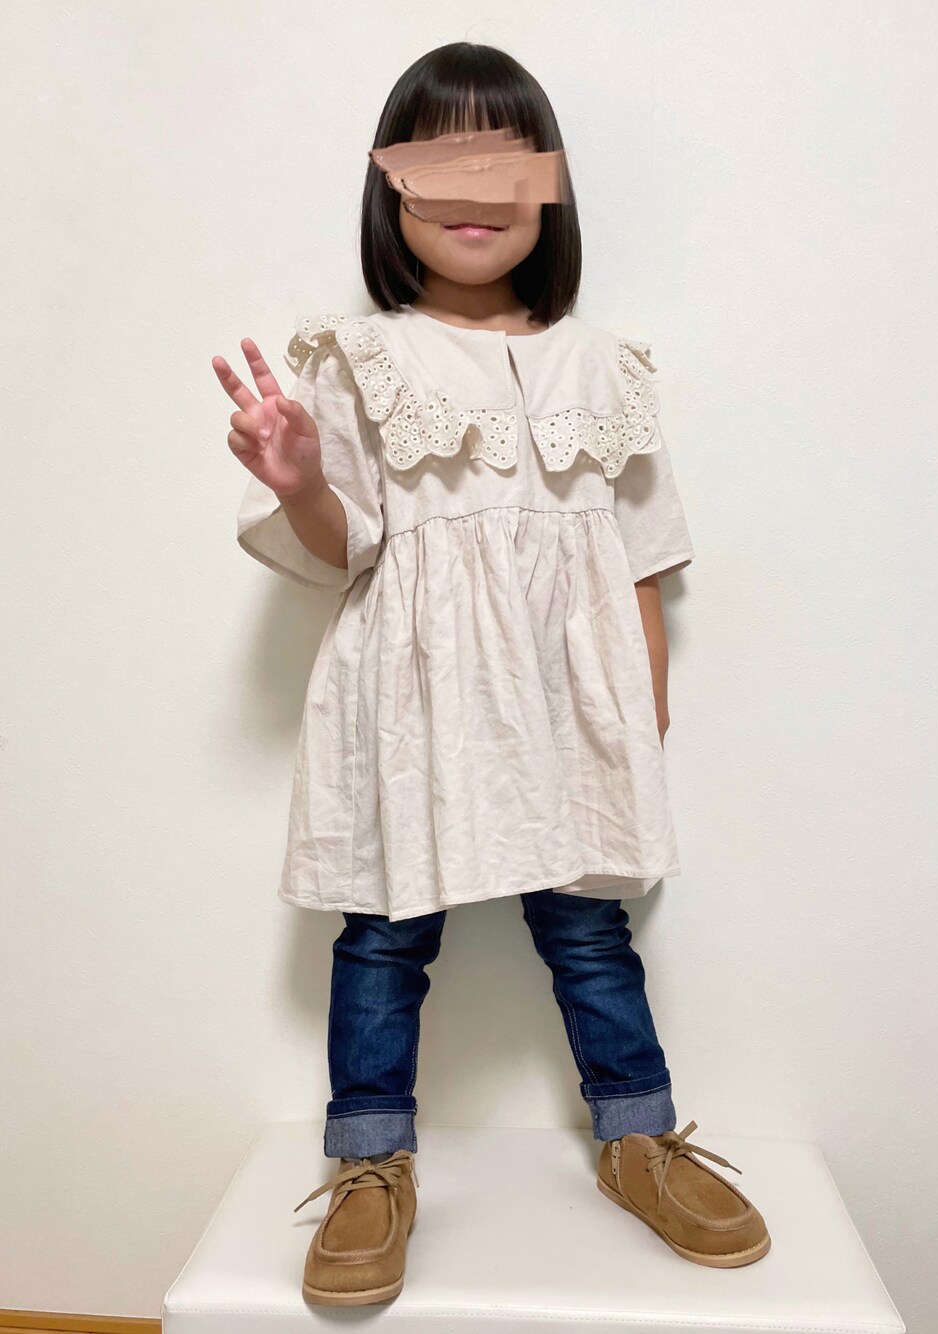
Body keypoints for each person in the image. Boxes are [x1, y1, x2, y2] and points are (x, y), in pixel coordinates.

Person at [212, 41, 770, 1309]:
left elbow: (641, 553)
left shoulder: (605, 368)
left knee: (587, 925)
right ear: (391, 188)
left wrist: (644, 707)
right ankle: (369, 1158)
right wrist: (299, 484)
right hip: (409, 705)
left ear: (549, 188)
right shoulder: (358, 359)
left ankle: (636, 1134)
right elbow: (345, 551)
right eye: (439, 161)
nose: (474, 190)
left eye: (506, 161)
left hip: (569, 704)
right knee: (383, 930)